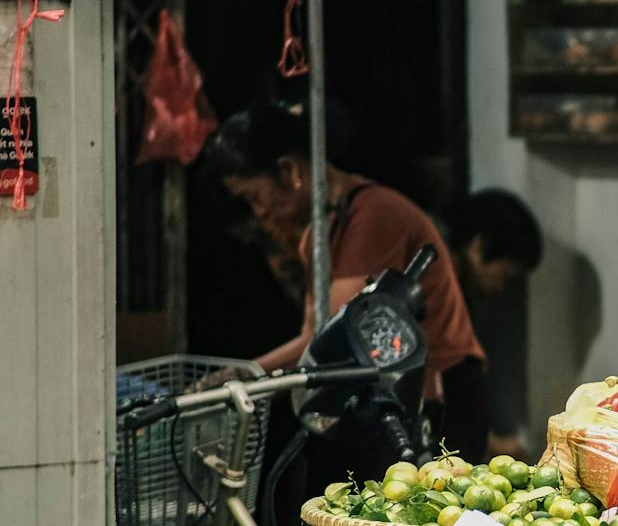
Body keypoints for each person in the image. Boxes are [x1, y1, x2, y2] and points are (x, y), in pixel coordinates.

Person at [205, 100, 488, 458]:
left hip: (440, 390)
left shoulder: (371, 216)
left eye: (255, 197)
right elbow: (312, 337)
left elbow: (335, 338)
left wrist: (248, 376)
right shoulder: (323, 232)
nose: (258, 212)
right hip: (401, 394)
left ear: (290, 170)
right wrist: (248, 376)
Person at [445, 189, 544, 458]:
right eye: (506, 272)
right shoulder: (440, 288)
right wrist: (493, 445)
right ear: (478, 247)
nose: (501, 285)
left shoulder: (456, 290)